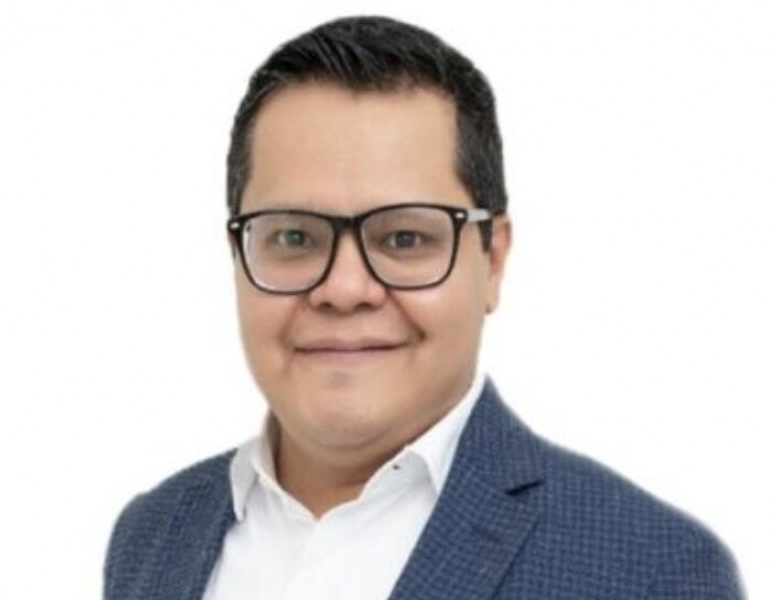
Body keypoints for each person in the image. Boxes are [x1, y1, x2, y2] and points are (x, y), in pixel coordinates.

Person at [103, 15, 744, 600]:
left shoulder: (654, 573)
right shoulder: (153, 535)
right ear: (238, 257)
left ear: (493, 259)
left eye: (404, 238)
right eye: (295, 237)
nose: (345, 289)